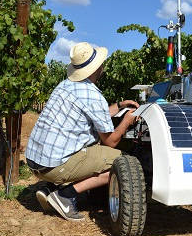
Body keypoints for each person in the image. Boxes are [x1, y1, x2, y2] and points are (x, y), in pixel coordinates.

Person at [25, 42, 139, 221]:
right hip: (54, 166)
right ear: (96, 68)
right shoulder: (93, 95)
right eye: (100, 64)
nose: (103, 66)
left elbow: (97, 113)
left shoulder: (65, 85)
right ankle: (66, 195)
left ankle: (50, 188)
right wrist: (126, 121)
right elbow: (110, 141)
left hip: (36, 162)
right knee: (123, 163)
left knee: (89, 148)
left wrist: (120, 105)